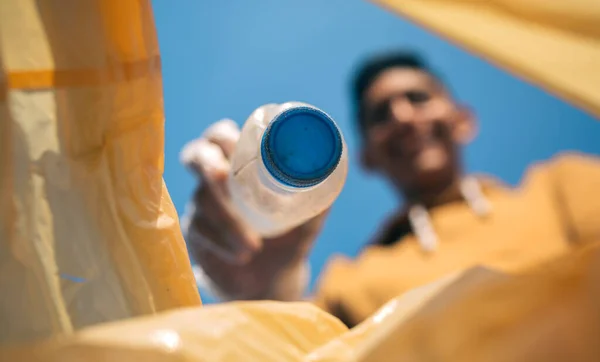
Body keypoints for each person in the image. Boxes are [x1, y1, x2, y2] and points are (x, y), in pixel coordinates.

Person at [180, 50, 600, 327]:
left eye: (417, 98)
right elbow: (293, 349)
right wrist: (263, 290)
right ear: (365, 156)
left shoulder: (565, 187)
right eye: (381, 115)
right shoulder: (349, 283)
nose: (402, 117)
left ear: (461, 120)